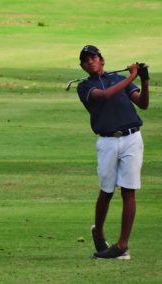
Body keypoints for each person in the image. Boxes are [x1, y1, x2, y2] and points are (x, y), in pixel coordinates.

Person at [76, 45, 149, 259]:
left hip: (132, 138)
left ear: (102, 60)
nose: (90, 61)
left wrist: (143, 79)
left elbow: (143, 104)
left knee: (129, 190)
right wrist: (133, 75)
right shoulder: (84, 87)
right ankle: (98, 233)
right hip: (107, 141)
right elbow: (106, 95)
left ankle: (122, 246)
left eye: (94, 57)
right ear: (82, 66)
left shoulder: (119, 79)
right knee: (106, 191)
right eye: (86, 60)